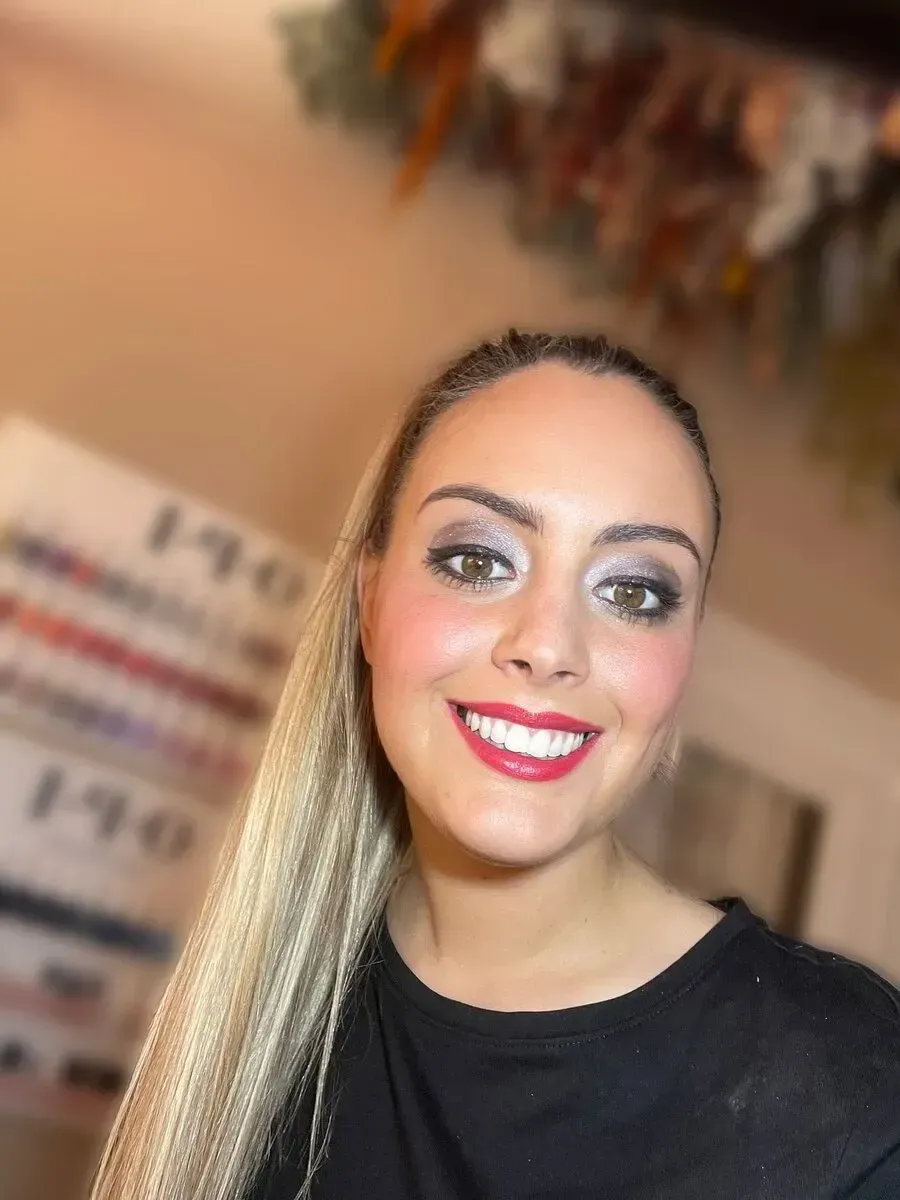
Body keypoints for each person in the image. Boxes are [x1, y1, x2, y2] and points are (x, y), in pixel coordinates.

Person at [89, 332, 900, 1200]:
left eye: (634, 592)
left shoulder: (852, 1093)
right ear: (370, 602)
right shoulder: (265, 1008)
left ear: (685, 659)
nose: (547, 646)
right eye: (477, 561)